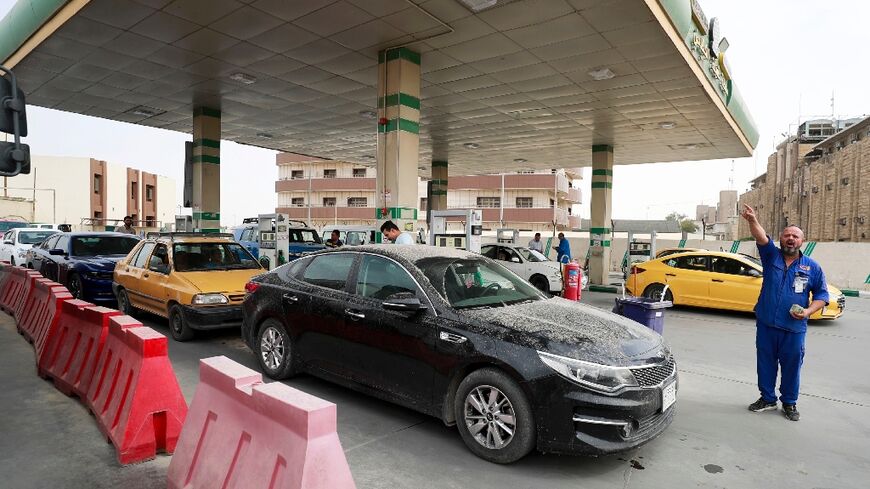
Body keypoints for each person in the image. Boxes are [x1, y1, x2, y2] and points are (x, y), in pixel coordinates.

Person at [741, 204, 829, 422]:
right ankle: (768, 399)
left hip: (793, 328)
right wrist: (753, 220)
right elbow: (761, 237)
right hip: (767, 324)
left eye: (795, 236)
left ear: (802, 242)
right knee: (765, 363)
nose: (791, 239)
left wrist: (808, 311)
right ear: (781, 239)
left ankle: (789, 403)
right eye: (787, 235)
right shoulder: (771, 256)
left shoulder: (812, 267)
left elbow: (822, 295)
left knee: (791, 367)